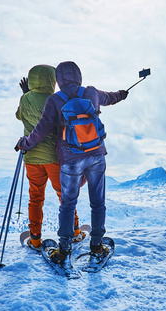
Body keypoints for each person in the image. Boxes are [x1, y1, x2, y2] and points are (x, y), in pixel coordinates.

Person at [17, 61, 128, 265]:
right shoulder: (92, 92)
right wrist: (122, 93)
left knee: (67, 204)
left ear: (58, 80)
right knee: (97, 203)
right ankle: (96, 247)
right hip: (96, 155)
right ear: (79, 75)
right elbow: (111, 98)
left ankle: (64, 251)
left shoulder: (55, 100)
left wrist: (26, 143)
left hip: (69, 159)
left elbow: (42, 129)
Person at [15, 64, 83, 251]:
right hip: (55, 157)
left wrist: (26, 94)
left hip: (32, 157)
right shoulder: (57, 99)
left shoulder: (25, 99)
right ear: (53, 80)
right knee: (65, 196)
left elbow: (19, 116)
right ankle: (75, 232)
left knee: (35, 198)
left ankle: (35, 239)